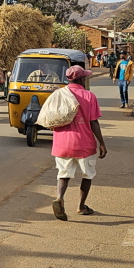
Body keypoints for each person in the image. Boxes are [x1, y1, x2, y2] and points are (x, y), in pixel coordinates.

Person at [50, 65, 107, 221]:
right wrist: (101, 143)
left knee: (63, 174)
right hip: (84, 143)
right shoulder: (89, 96)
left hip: (62, 142)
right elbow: (93, 122)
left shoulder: (58, 94)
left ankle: (60, 197)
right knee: (87, 175)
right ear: (82, 79)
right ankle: (81, 206)